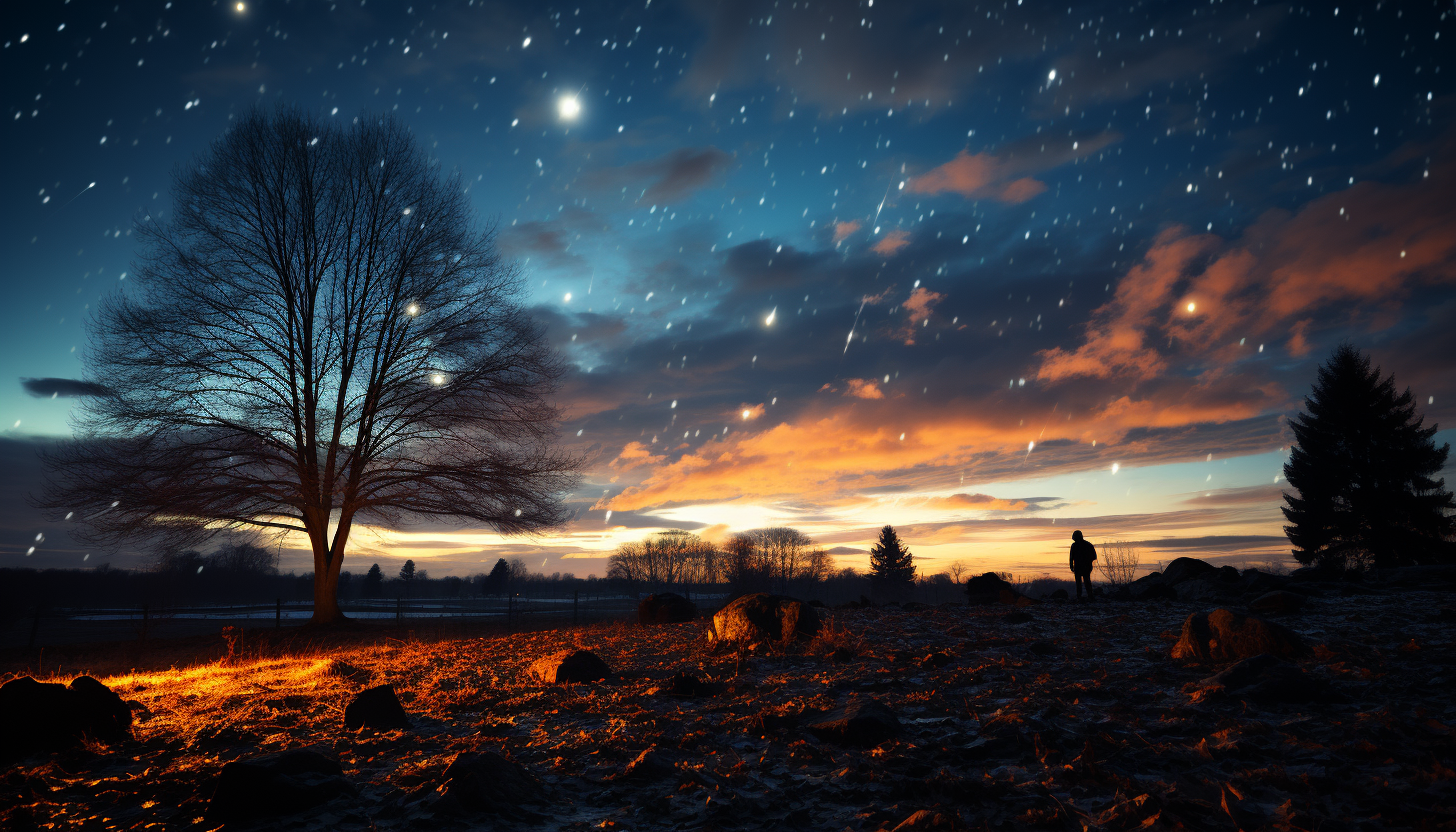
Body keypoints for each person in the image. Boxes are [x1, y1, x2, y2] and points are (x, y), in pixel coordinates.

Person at [1069, 530, 1097, 600]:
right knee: (1080, 582)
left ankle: (1089, 596)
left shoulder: (1087, 545)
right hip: (1079, 567)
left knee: (1086, 581)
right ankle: (1081, 596)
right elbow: (1071, 557)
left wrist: (1086, 561)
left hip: (1085, 567)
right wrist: (1071, 566)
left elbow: (1094, 556)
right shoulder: (1075, 545)